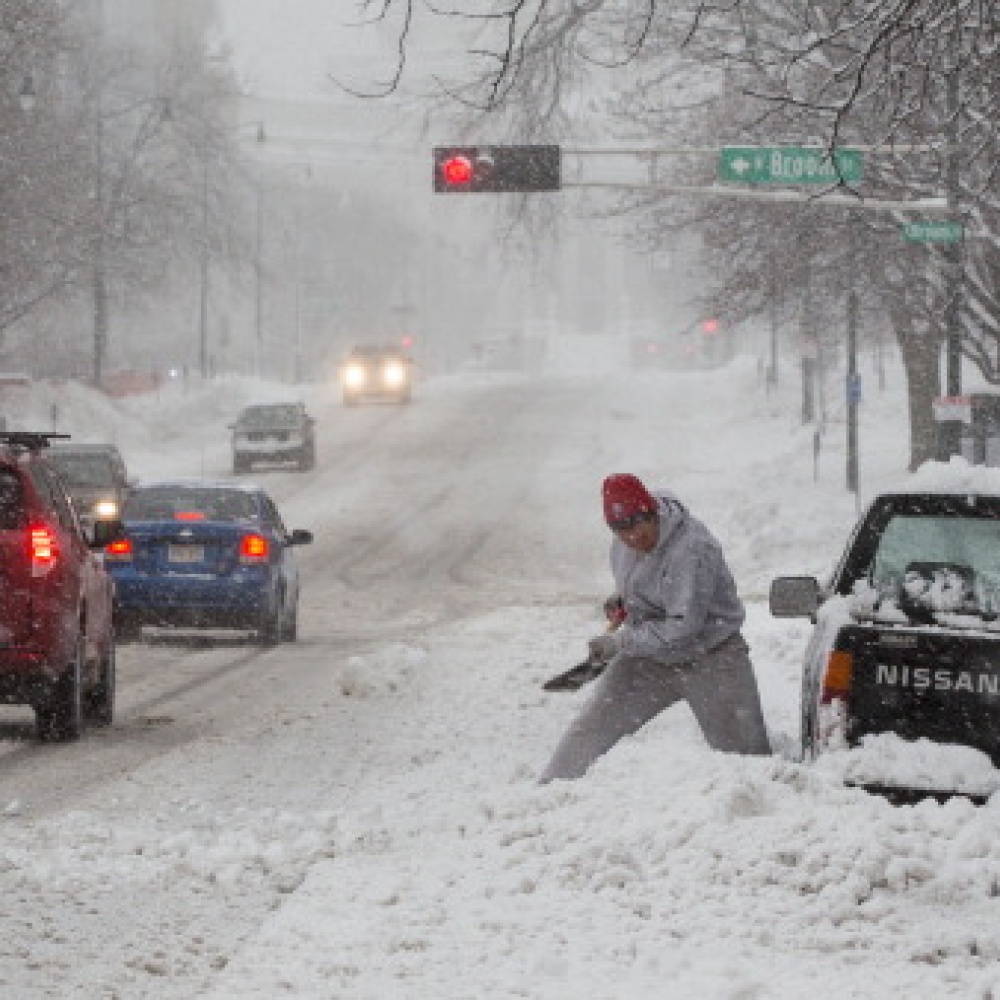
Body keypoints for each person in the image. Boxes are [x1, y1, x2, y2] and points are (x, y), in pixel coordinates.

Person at [539, 473, 771, 783]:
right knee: (588, 732)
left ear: (651, 512)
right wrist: (623, 603)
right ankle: (547, 798)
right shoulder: (621, 546)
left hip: (713, 659)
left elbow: (683, 626)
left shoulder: (691, 549)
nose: (632, 537)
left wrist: (620, 644)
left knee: (750, 765)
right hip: (648, 660)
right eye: (621, 529)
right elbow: (639, 588)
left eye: (637, 525)